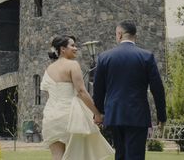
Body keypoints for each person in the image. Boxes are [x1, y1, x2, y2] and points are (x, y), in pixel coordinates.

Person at [92, 21, 167, 160]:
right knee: (136, 155)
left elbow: (98, 88)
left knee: (120, 154)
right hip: (138, 114)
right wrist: (161, 116)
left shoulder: (105, 57)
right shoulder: (146, 56)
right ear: (135, 36)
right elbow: (158, 89)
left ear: (119, 34)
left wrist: (99, 113)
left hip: (114, 114)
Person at [41, 35, 114, 160]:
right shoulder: (72, 65)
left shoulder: (49, 69)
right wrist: (96, 113)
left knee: (57, 156)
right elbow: (81, 91)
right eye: (72, 45)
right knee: (76, 156)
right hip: (70, 117)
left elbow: (49, 95)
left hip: (51, 117)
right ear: (62, 49)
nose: (76, 48)